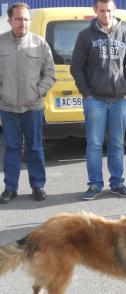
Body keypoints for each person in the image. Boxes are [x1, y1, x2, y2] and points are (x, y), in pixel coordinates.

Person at [70, 0, 126, 201]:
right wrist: (87, 94)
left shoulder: (124, 34)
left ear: (114, 10)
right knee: (94, 144)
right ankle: (94, 185)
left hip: (119, 100)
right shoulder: (85, 36)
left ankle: (118, 183)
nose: (106, 14)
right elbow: (76, 67)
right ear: (95, 11)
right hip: (95, 100)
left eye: (109, 10)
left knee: (117, 144)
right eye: (102, 11)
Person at [0, 3, 55, 204]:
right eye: (18, 18)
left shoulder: (40, 45)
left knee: (35, 147)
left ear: (29, 21)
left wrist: (38, 92)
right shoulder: (1, 43)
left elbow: (50, 74)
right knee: (12, 148)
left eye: (25, 19)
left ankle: (38, 185)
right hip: (8, 107)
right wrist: (2, 95)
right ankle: (10, 188)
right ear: (9, 21)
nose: (22, 22)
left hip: (33, 106)